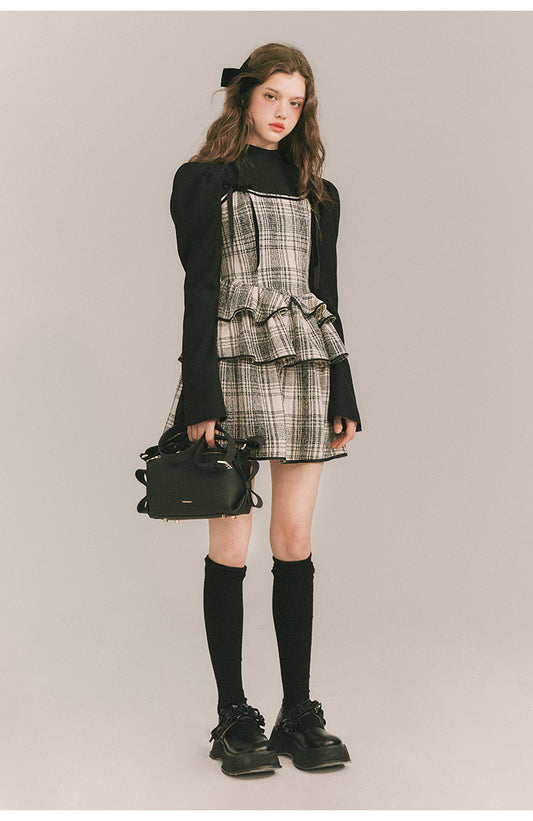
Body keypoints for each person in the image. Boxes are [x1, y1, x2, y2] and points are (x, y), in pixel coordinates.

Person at [163, 43, 363, 776]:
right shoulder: (203, 179)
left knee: (295, 538)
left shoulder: (319, 192)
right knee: (231, 545)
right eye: (272, 96)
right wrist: (199, 395)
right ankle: (233, 715)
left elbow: (325, 295)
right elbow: (199, 289)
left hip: (306, 365)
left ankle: (296, 712)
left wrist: (344, 386)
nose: (283, 113)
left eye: (296, 102)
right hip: (232, 365)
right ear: (245, 95)